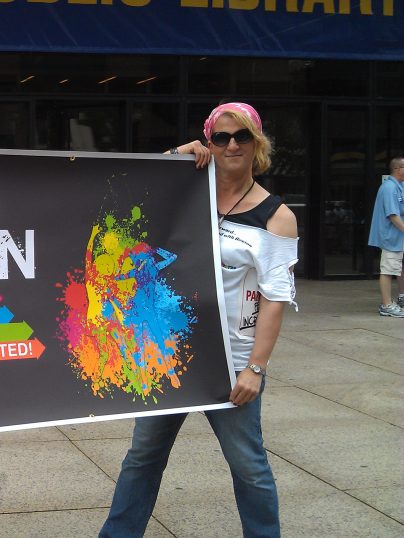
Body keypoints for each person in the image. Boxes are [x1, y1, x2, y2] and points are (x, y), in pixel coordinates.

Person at [99, 102, 298, 538]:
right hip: (170, 351)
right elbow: (131, 198)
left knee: (249, 467)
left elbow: (275, 299)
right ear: (208, 142)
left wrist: (256, 368)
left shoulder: (276, 218)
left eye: (241, 136)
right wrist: (174, 157)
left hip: (230, 365)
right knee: (142, 456)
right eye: (220, 137)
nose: (231, 145)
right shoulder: (187, 191)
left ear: (257, 144)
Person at [367, 157, 404, 318]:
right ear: (398, 169)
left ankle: (395, 300)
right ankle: (386, 305)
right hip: (391, 238)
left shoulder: (398, 186)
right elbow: (393, 215)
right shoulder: (389, 188)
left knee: (396, 268)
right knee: (388, 270)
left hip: (397, 238)